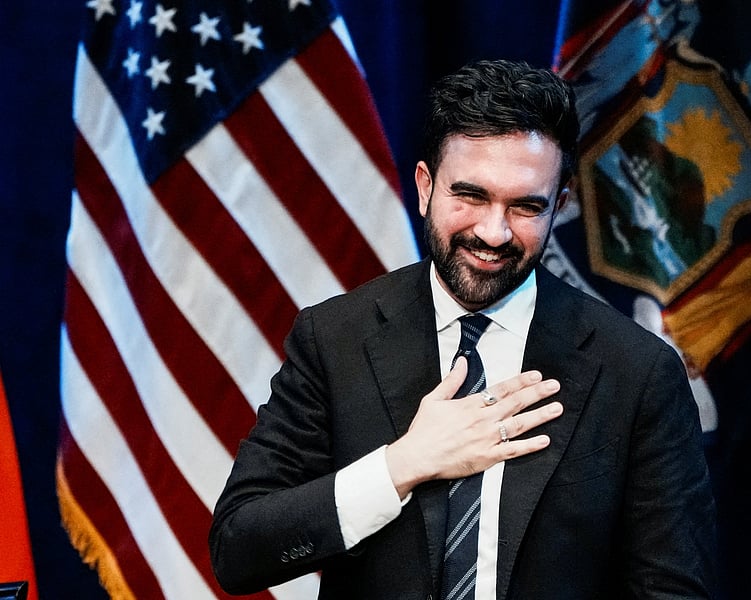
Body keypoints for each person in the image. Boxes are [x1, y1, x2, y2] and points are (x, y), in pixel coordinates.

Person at [209, 59, 716, 599]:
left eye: (525, 206)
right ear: (426, 187)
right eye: (471, 196)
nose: (493, 233)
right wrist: (402, 465)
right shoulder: (335, 339)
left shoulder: (637, 373)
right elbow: (240, 550)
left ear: (559, 205)